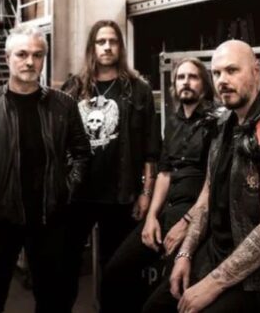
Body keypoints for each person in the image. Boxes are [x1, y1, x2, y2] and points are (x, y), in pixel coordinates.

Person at [166, 40, 260, 312]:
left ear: (257, 73)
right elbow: (207, 195)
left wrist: (212, 284)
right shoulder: (222, 123)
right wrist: (185, 253)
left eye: (232, 70)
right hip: (219, 253)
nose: (222, 80)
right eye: (216, 73)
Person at [0, 25, 90, 313]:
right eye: (22, 54)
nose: (30, 62)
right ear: (7, 58)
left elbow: (82, 154)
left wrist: (65, 188)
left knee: (51, 300)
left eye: (37, 55)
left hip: (49, 220)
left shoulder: (64, 105)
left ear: (44, 59)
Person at [100, 57, 217, 313]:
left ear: (205, 85)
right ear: (174, 85)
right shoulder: (173, 122)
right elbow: (164, 173)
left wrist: (187, 223)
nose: (186, 82)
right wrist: (151, 217)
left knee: (168, 294)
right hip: (166, 211)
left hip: (195, 215)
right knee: (114, 272)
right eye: (181, 77)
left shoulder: (216, 122)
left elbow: (214, 184)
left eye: (193, 77)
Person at [61, 19, 161, 308]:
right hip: (78, 193)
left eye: (113, 41)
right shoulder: (74, 87)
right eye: (101, 41)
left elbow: (151, 149)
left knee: (115, 270)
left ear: (121, 47)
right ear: (92, 47)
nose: (107, 47)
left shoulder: (138, 89)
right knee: (65, 265)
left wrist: (145, 193)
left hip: (120, 194)